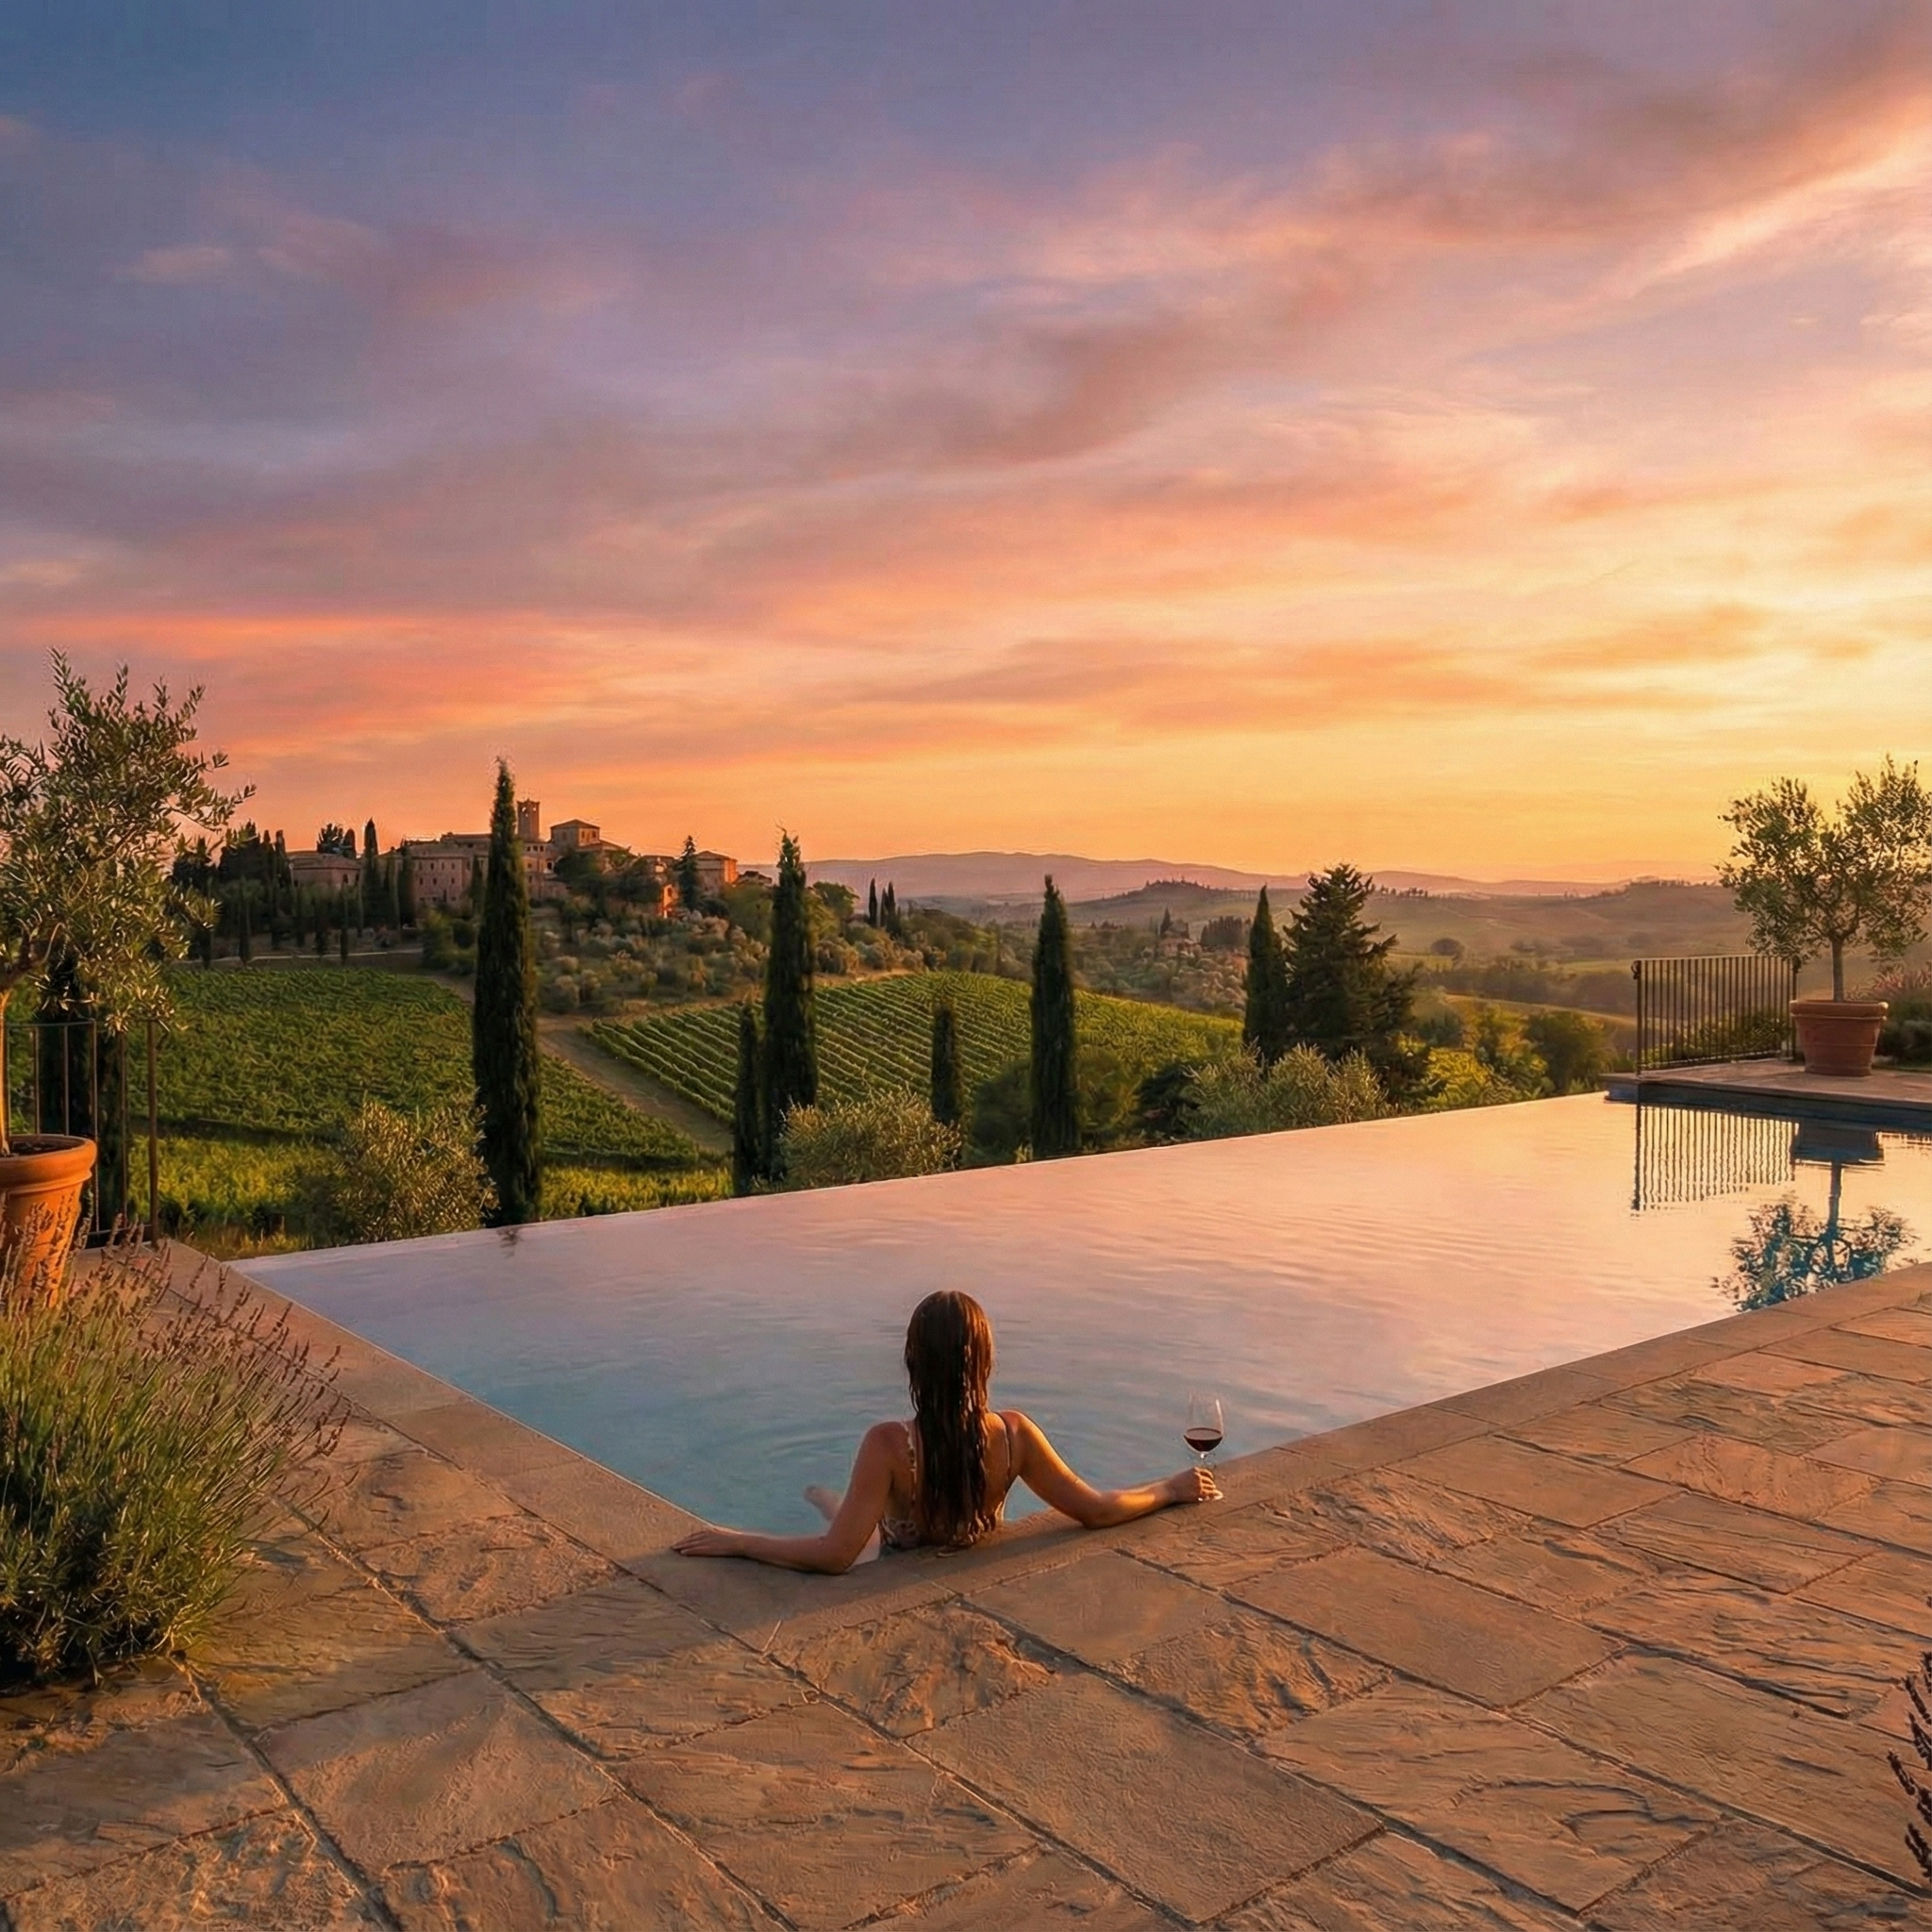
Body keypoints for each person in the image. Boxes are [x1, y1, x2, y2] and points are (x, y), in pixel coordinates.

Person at [674, 1288, 1220, 1574]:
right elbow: (1097, 1509)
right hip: (965, 1542)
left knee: (853, 1531)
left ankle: (831, 1502)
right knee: (851, 1521)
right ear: (984, 1361)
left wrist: (738, 1541)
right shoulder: (1014, 1437)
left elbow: (834, 1557)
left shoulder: (889, 1445)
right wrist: (1170, 1488)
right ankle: (832, 1503)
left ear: (913, 1362)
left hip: (898, 1558)